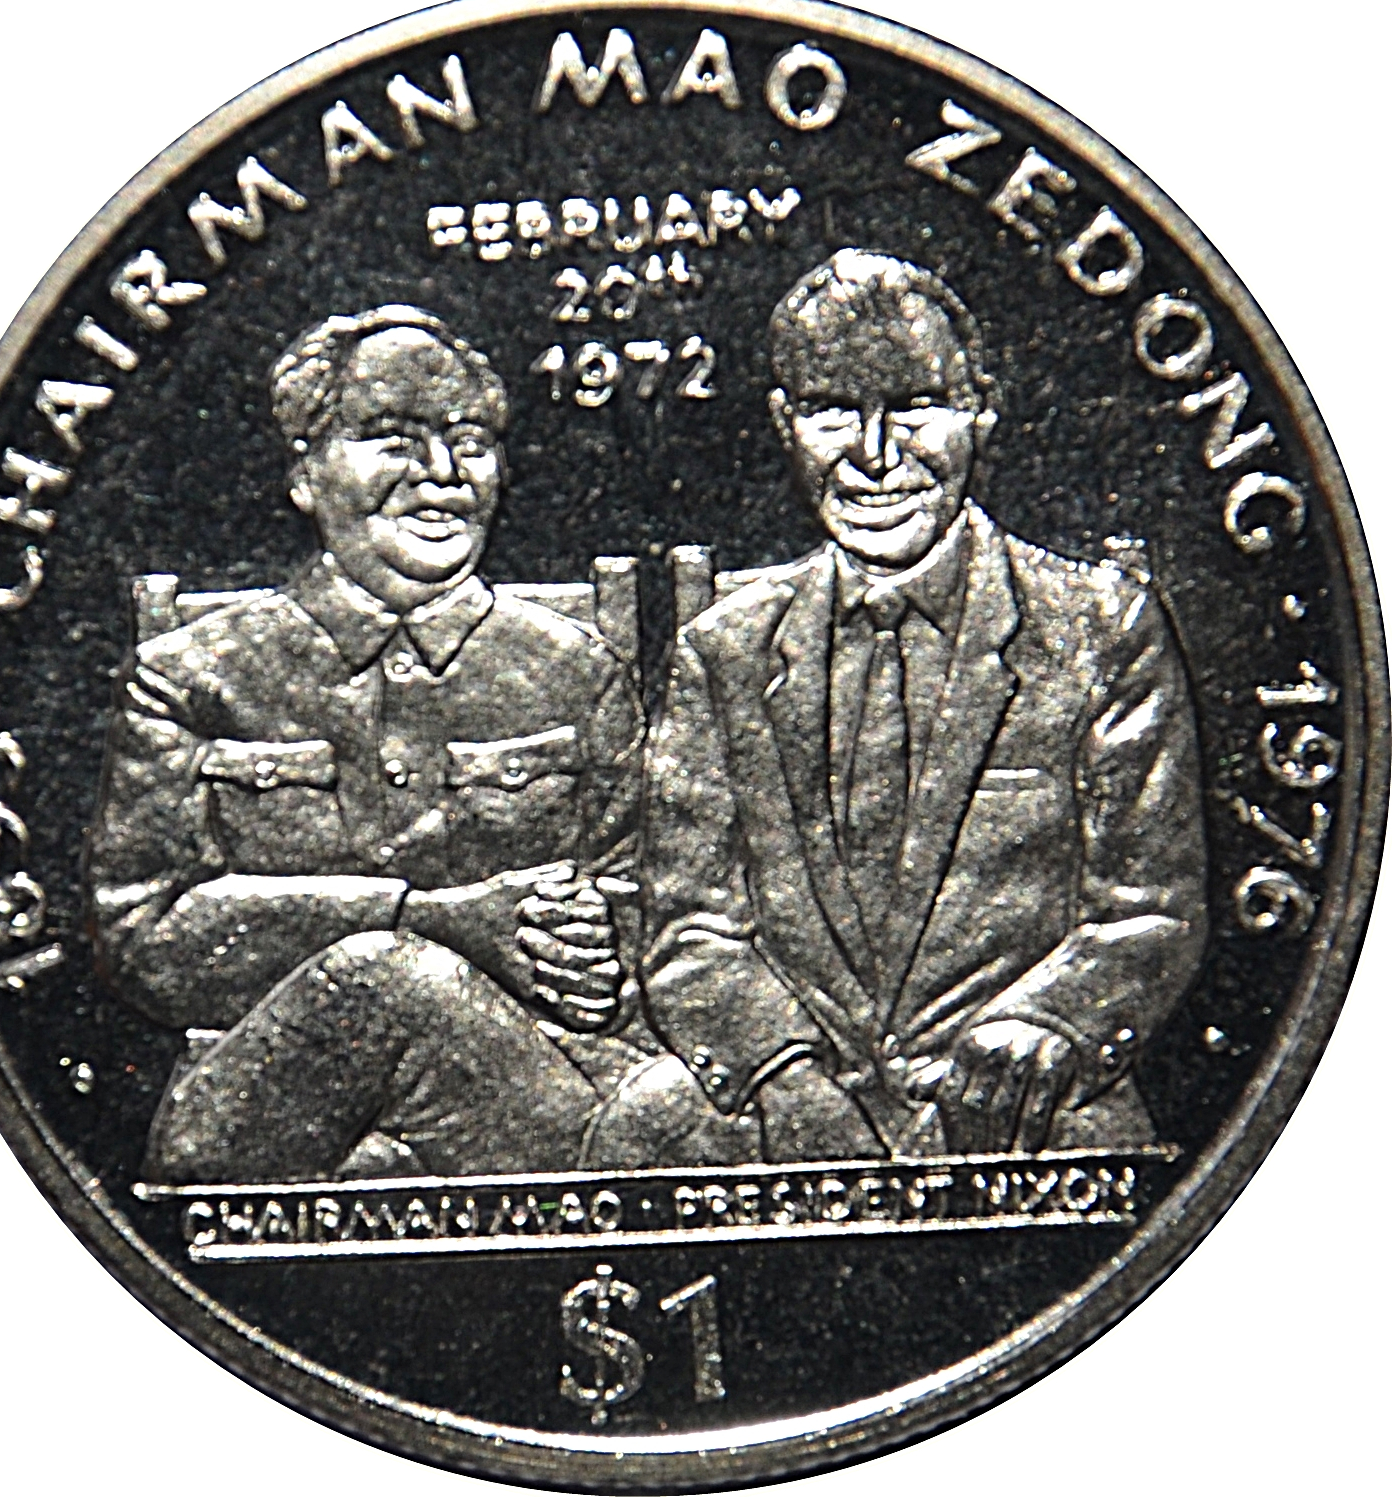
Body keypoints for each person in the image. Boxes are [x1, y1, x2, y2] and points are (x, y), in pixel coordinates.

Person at [637, 250, 1207, 1160]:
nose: (874, 453)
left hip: (1026, 1112)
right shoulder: (724, 649)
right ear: (785, 424)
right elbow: (688, 926)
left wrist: (1047, 1024)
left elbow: (1149, 911)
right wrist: (784, 1073)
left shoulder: (1103, 627)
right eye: (832, 410)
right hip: (786, 1114)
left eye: (914, 406)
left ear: (981, 408)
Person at [87, 305, 659, 1182]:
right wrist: (427, 922)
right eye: (394, 439)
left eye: (469, 441)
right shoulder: (189, 676)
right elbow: (139, 940)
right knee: (386, 978)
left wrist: (594, 951)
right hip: (267, 1118)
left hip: (534, 1103)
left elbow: (649, 914)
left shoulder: (579, 672)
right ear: (304, 474)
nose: (442, 474)